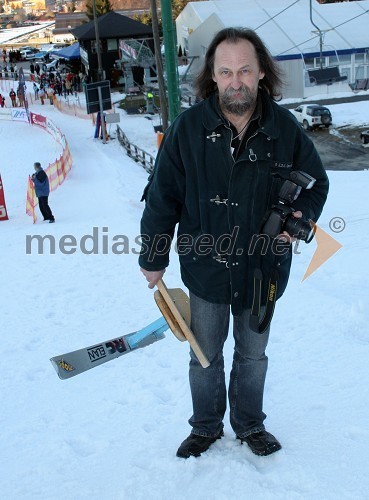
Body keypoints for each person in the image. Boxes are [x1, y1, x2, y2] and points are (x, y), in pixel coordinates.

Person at [138, 28, 329, 459]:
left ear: (261, 72)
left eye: (245, 69)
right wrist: (153, 257)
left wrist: (302, 217)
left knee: (253, 355)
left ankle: (249, 424)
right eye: (226, 71)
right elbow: (162, 197)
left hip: (263, 270)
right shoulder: (188, 129)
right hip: (206, 269)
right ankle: (205, 427)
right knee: (204, 354)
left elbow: (317, 185)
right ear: (214, 76)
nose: (236, 80)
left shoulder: (284, 129)